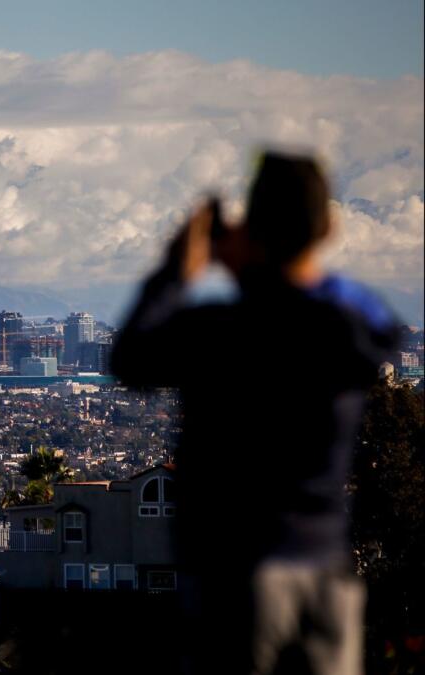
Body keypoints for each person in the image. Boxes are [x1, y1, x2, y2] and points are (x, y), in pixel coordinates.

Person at [111, 152, 399, 675]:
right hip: (324, 576)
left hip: (234, 577)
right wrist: (268, 267)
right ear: (329, 227)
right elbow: (366, 320)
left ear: (253, 231)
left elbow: (131, 357)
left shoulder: (217, 331)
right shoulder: (351, 328)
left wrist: (179, 270)